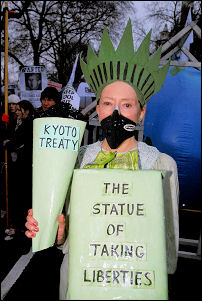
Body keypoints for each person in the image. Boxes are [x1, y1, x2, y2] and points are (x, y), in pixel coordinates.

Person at [25, 19, 179, 299]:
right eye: (108, 103)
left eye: (127, 104)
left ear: (141, 113)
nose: (116, 113)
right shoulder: (75, 159)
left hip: (136, 286)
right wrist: (55, 231)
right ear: (98, 108)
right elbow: (65, 236)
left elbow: (167, 251)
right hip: (80, 280)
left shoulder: (162, 166)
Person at [4, 100, 35, 239]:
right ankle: (15, 225)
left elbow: (17, 142)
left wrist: (9, 144)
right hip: (14, 164)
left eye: (19, 109)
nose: (16, 112)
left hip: (24, 166)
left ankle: (21, 226)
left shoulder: (29, 124)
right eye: (15, 109)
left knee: (22, 196)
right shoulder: (15, 123)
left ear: (27, 111)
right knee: (14, 195)